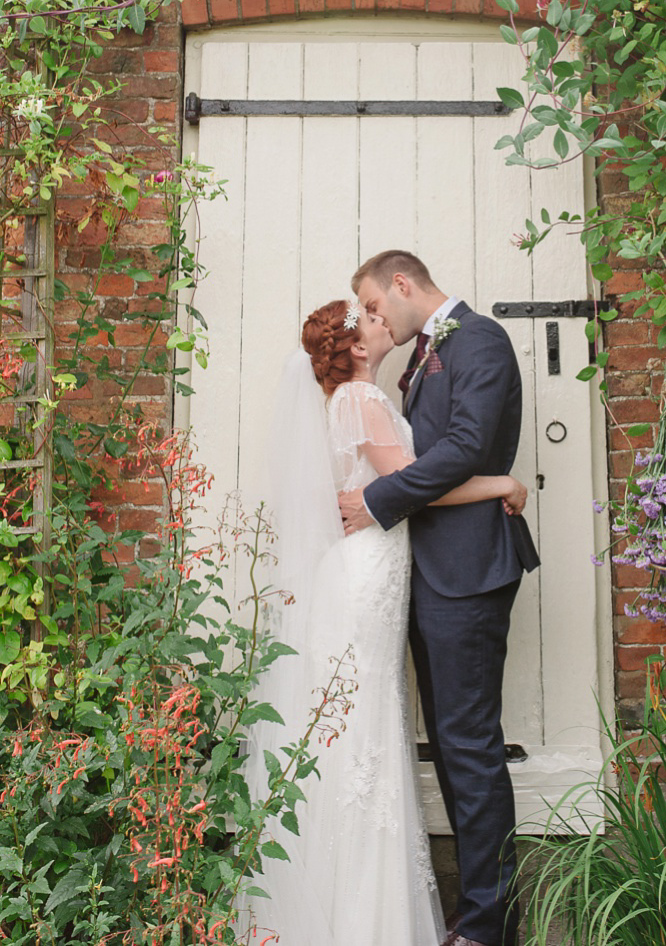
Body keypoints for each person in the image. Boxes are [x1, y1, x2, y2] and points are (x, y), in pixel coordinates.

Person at [243, 297, 527, 946]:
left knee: (364, 732)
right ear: (358, 346)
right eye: (367, 318)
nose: (380, 320)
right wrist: (500, 484)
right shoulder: (359, 402)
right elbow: (416, 482)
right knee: (361, 733)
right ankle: (359, 920)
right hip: (367, 577)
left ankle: (358, 911)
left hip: (376, 571)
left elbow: (397, 483)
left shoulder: (362, 397)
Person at [340, 252, 540, 946]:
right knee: (453, 748)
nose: (372, 317)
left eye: (372, 302)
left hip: (470, 572)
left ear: (402, 283)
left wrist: (374, 501)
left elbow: (463, 447)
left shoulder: (478, 339)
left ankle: (489, 927)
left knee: (469, 745)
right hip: (435, 573)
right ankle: (478, 912)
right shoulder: (423, 357)